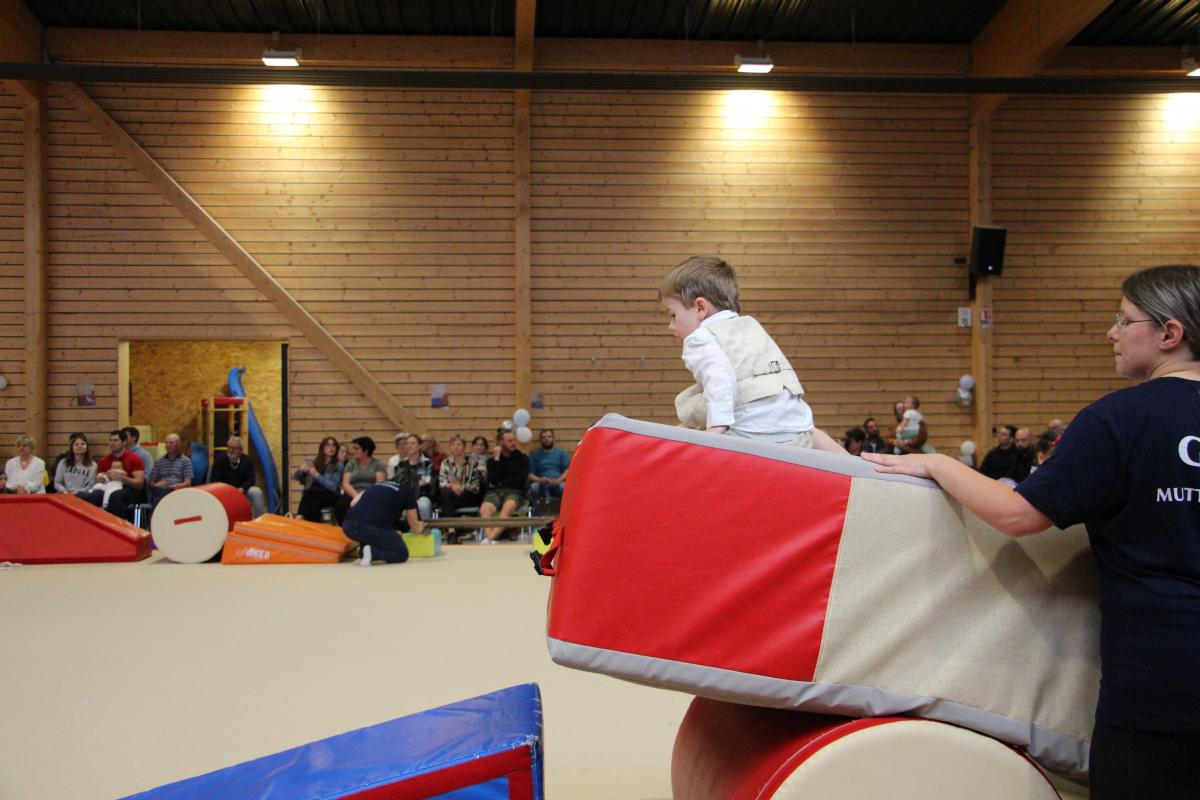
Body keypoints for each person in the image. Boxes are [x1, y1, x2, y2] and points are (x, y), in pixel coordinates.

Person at [862, 264, 1200, 799]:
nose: (1111, 333)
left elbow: (1019, 515)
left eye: (1123, 320)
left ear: (1169, 333)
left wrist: (937, 464)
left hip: (1161, 685)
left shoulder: (1120, 419)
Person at [659, 255, 842, 451]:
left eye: (673, 315)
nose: (671, 326)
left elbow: (719, 376)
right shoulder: (750, 326)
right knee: (702, 399)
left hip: (750, 436)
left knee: (692, 405)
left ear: (700, 308)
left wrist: (716, 428)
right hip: (798, 432)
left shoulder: (701, 337)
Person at [344, 479, 425, 566]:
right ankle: (372, 553)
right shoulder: (407, 491)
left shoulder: (378, 484)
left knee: (375, 533)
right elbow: (415, 526)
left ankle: (364, 552)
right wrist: (421, 527)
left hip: (348, 525)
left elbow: (353, 503)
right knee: (402, 553)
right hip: (371, 527)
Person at [479, 429, 530, 543]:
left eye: (514, 440)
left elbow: (520, 480)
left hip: (514, 491)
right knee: (484, 509)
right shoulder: (492, 461)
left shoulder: (522, 458)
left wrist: (502, 481)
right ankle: (490, 539)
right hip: (495, 492)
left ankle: (489, 539)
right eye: (509, 441)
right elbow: (493, 480)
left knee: (507, 508)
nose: (513, 443)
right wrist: (497, 458)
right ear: (501, 442)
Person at [82, 430, 145, 519]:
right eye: (110, 440)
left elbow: (140, 484)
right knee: (95, 495)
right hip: (108, 486)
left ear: (124, 442)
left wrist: (123, 479)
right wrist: (100, 479)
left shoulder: (134, 459)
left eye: (116, 440)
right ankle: (94, 522)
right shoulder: (104, 460)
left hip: (129, 489)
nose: (112, 443)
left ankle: (117, 524)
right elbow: (99, 479)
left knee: (115, 496)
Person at [438, 435, 485, 540]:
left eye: (458, 444)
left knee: (447, 500)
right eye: (453, 445)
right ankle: (452, 531)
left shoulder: (472, 462)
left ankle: (453, 531)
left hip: (469, 495)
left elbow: (475, 485)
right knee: (444, 493)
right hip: (451, 495)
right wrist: (452, 486)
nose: (455, 447)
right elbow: (442, 482)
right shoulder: (445, 463)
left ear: (464, 447)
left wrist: (462, 487)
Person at [335, 436, 387, 525]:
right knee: (341, 505)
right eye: (353, 448)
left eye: (356, 449)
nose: (354, 451)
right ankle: (344, 528)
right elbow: (346, 483)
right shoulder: (351, 464)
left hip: (371, 493)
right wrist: (357, 497)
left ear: (366, 451)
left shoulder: (378, 464)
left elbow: (379, 484)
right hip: (353, 493)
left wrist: (364, 496)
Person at [210, 436, 265, 517]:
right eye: (229, 447)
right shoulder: (219, 460)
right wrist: (227, 491)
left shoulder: (247, 461)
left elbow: (251, 479)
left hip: (242, 491)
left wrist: (242, 489)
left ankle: (259, 519)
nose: (231, 450)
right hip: (224, 492)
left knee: (256, 492)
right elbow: (214, 480)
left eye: (234, 448)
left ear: (241, 450)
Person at [293, 436, 343, 523]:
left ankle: (299, 517)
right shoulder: (314, 461)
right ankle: (314, 527)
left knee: (309, 493)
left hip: (331, 495)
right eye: (328, 445)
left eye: (333, 445)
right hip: (314, 496)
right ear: (322, 448)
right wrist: (300, 470)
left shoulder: (338, 464)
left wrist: (316, 475)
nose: (331, 448)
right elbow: (296, 477)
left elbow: (333, 486)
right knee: (314, 504)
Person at [392, 433, 435, 519]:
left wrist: (410, 483)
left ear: (419, 446)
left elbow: (427, 482)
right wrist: (417, 482)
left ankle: (424, 527)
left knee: (424, 505)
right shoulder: (400, 465)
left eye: (412, 443)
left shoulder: (427, 463)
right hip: (404, 497)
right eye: (407, 444)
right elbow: (398, 484)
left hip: (422, 496)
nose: (409, 446)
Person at [528, 429, 570, 511]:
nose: (546, 439)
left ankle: (564, 513)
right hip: (541, 482)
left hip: (558, 481)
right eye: (543, 437)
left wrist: (559, 480)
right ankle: (537, 513)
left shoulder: (561, 453)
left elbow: (568, 470)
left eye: (549, 437)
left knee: (565, 488)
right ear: (541, 440)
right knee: (533, 487)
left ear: (553, 438)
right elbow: (530, 474)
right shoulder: (535, 455)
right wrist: (540, 480)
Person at [146, 433, 192, 508]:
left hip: (177, 491)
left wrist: (173, 486)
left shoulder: (185, 461)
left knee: (166, 495)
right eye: (166, 443)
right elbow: (150, 483)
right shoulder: (159, 461)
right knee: (161, 493)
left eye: (171, 443)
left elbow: (188, 483)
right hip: (160, 490)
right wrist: (157, 485)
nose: (168, 445)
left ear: (178, 444)